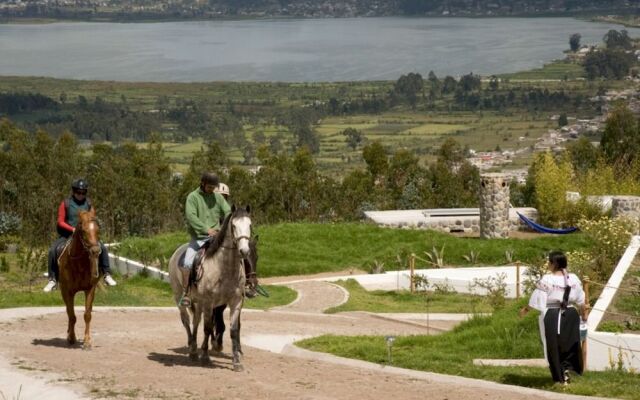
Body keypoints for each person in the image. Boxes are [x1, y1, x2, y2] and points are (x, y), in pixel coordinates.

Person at [520, 251, 587, 385]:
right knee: (569, 344)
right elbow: (581, 300)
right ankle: (567, 370)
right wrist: (583, 315)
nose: (548, 264)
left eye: (549, 262)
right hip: (571, 314)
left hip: (553, 314)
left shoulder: (547, 279)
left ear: (554, 263)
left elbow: (538, 299)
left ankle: (560, 376)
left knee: (554, 346)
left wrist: (525, 310)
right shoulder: (573, 278)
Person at [43, 178, 117, 292]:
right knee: (53, 250)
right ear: (74, 191)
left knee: (102, 248)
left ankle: (107, 274)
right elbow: (60, 221)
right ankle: (52, 279)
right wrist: (72, 229)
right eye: (78, 192)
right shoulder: (66, 203)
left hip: (85, 236)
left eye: (83, 192)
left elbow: (92, 219)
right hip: (68, 235)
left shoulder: (88, 204)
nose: (80, 195)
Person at [180, 172, 231, 307]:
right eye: (209, 186)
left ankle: (246, 284)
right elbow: (191, 217)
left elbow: (227, 212)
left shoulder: (218, 198)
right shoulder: (193, 197)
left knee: (235, 253)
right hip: (199, 238)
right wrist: (206, 229)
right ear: (202, 183)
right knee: (187, 261)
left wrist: (224, 226)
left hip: (217, 237)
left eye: (214, 187)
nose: (212, 189)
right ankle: (186, 293)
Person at [214, 181, 259, 298]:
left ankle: (249, 282)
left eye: (224, 196)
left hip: (230, 241)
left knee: (248, 251)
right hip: (213, 238)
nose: (221, 199)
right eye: (219, 196)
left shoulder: (230, 211)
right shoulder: (209, 209)